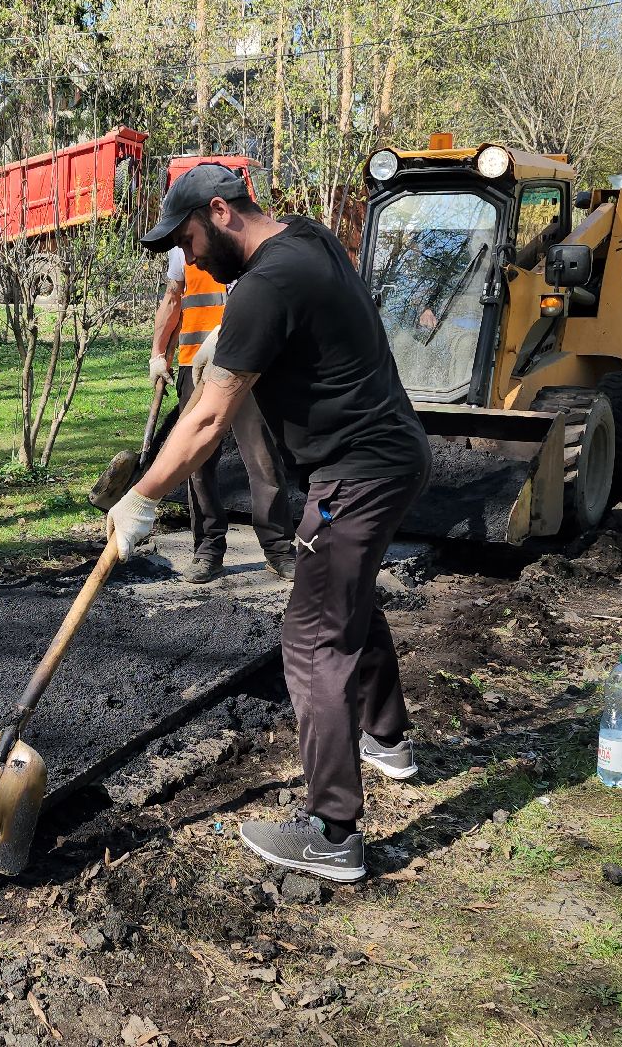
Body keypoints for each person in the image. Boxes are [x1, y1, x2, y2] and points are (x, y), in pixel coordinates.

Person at [107, 165, 431, 884]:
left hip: (356, 474)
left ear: (219, 212)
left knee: (313, 637)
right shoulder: (308, 239)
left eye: (188, 240)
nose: (188, 259)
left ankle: (331, 832)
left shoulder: (264, 285)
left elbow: (212, 418)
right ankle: (388, 741)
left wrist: (143, 497)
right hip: (394, 456)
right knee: (346, 597)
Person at [150, 240, 296, 583]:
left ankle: (278, 550)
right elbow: (173, 299)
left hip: (247, 362)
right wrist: (159, 354)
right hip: (196, 366)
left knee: (262, 459)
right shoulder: (180, 249)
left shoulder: (252, 244)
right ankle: (208, 550)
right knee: (198, 462)